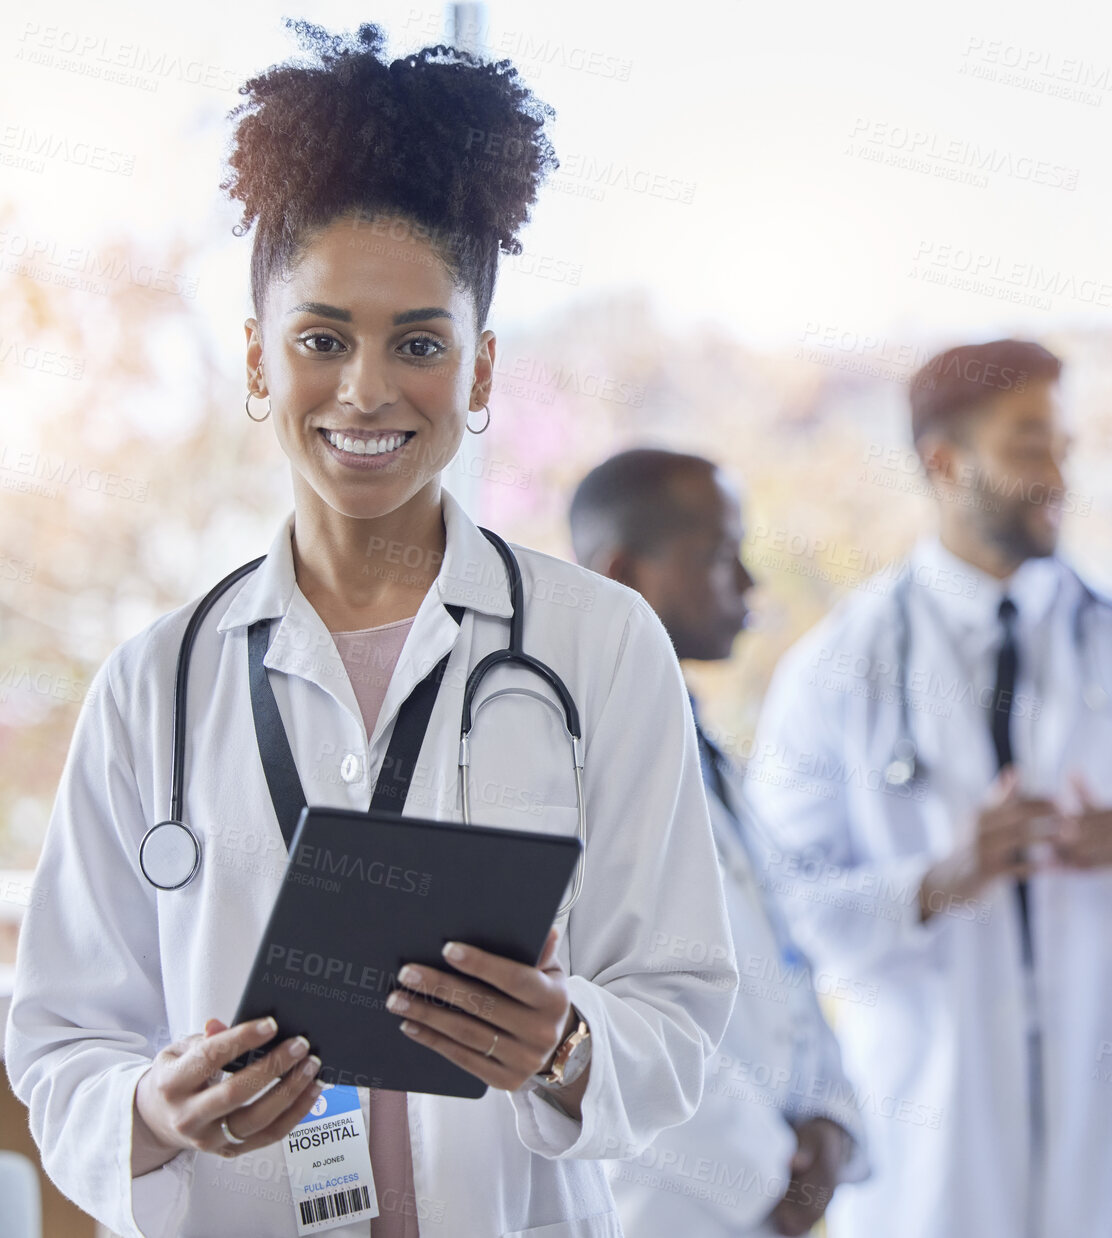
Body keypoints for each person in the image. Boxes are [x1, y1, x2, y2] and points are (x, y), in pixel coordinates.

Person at [4, 24, 736, 1238]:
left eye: (419, 344)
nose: (364, 390)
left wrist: (563, 1044)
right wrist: (153, 1107)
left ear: (482, 371)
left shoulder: (598, 648)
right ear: (257, 358)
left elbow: (681, 1006)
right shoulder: (154, 684)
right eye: (321, 338)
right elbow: (60, 1039)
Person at [747, 339, 1112, 1238]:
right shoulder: (837, 669)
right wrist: (933, 882)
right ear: (944, 463)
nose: (1062, 472)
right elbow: (772, 915)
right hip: (933, 1162)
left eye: (1065, 445)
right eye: (1031, 445)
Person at [569, 449, 869, 1237]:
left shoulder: (702, 744)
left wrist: (830, 1118)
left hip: (774, 1188)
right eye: (719, 557)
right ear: (626, 574)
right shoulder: (570, 762)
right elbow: (597, 1017)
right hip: (671, 1202)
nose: (748, 585)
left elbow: (778, 955)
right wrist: (765, 1169)